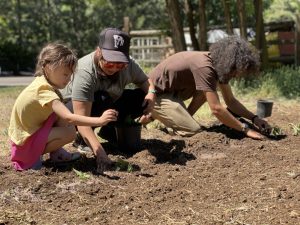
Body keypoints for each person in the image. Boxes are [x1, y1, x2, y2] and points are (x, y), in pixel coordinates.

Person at [8, 43, 118, 171]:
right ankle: (33, 156)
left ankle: (56, 153)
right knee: (69, 132)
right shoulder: (43, 91)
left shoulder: (42, 82)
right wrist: (99, 120)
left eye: (70, 75)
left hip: (27, 136)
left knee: (61, 116)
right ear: (48, 67)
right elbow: (69, 117)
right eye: (65, 74)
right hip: (23, 146)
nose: (68, 79)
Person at [61, 28, 156, 173]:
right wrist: (100, 154)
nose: (115, 68)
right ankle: (82, 140)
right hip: (70, 113)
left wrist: (151, 95)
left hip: (107, 102)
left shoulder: (128, 64)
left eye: (120, 64)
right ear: (98, 51)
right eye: (110, 63)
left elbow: (145, 81)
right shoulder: (85, 71)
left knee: (139, 97)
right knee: (102, 98)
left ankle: (109, 132)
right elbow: (81, 121)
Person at [148, 36, 270, 139]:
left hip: (173, 92)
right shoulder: (204, 68)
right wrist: (245, 129)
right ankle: (169, 122)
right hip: (154, 94)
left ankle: (182, 118)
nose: (237, 75)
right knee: (193, 130)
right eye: (237, 70)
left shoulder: (218, 67)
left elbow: (231, 101)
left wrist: (254, 118)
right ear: (230, 63)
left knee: (205, 91)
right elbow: (216, 109)